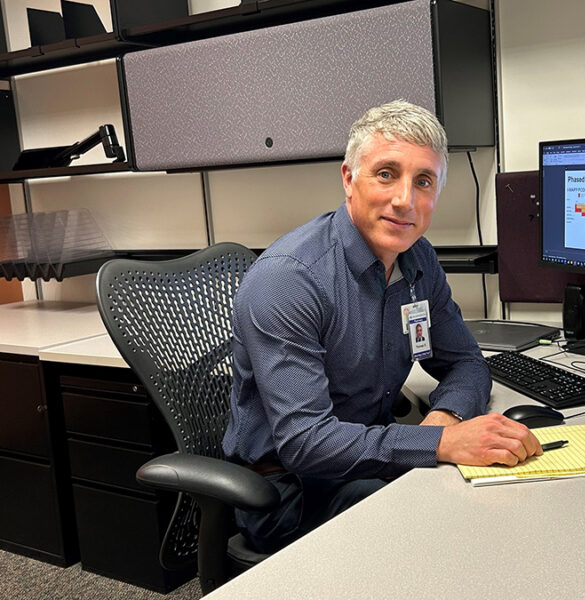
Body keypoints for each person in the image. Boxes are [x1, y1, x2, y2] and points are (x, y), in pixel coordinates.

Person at [222, 100, 542, 553]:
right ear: (349, 179)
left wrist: (444, 421)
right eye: (386, 174)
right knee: (444, 525)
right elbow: (305, 442)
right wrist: (438, 443)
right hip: (288, 490)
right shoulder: (289, 280)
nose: (405, 200)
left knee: (497, 495)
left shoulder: (417, 259)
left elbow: (467, 364)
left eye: (423, 181)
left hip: (368, 459)